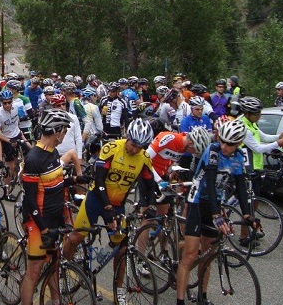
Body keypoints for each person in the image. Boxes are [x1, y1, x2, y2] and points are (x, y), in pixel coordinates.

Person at [64, 118, 156, 305]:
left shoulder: (144, 158)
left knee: (121, 249)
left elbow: (149, 184)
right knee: (76, 237)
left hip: (118, 204)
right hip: (96, 199)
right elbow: (99, 181)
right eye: (133, 144)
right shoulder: (112, 148)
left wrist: (152, 206)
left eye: (140, 147)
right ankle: (61, 269)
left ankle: (118, 290)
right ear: (127, 138)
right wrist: (107, 209)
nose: (135, 150)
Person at [176, 120, 253, 305]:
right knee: (191, 254)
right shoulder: (212, 151)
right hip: (197, 201)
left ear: (239, 143)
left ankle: (202, 296)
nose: (224, 146)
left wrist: (248, 214)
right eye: (223, 141)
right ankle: (179, 301)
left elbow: (241, 187)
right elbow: (209, 183)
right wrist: (216, 215)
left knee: (209, 255)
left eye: (230, 144)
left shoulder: (239, 157)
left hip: (214, 202)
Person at [20, 109, 73, 305]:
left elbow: (56, 182)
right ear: (57, 131)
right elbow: (31, 200)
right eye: (64, 130)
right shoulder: (34, 158)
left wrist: (75, 179)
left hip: (54, 217)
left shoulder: (54, 153)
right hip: (38, 221)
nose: (65, 134)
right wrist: (43, 229)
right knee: (34, 270)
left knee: (55, 264)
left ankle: (56, 300)